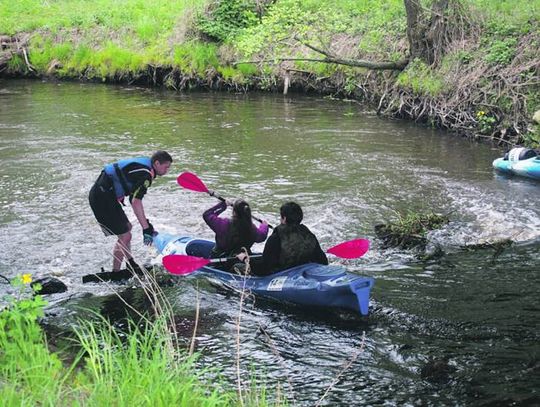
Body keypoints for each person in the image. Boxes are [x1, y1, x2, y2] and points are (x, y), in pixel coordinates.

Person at [89, 150, 173, 272]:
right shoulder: (146, 174)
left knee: (127, 228)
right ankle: (115, 273)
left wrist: (146, 225)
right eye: (166, 167)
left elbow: (132, 195)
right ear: (157, 163)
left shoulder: (146, 167)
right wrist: (146, 228)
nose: (166, 171)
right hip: (102, 198)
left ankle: (131, 263)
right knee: (125, 236)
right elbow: (135, 201)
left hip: (105, 195)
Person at [252, 201, 328, 276]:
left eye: (281, 217)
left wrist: (246, 260)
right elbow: (323, 261)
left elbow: (264, 268)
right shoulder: (309, 235)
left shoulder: (275, 238)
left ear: (284, 218)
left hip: (282, 275)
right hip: (304, 270)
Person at [203, 198, 269, 258]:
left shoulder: (223, 224)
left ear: (234, 212)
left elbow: (207, 214)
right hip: (241, 260)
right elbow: (262, 235)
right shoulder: (253, 229)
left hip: (219, 259)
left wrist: (223, 205)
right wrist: (264, 226)